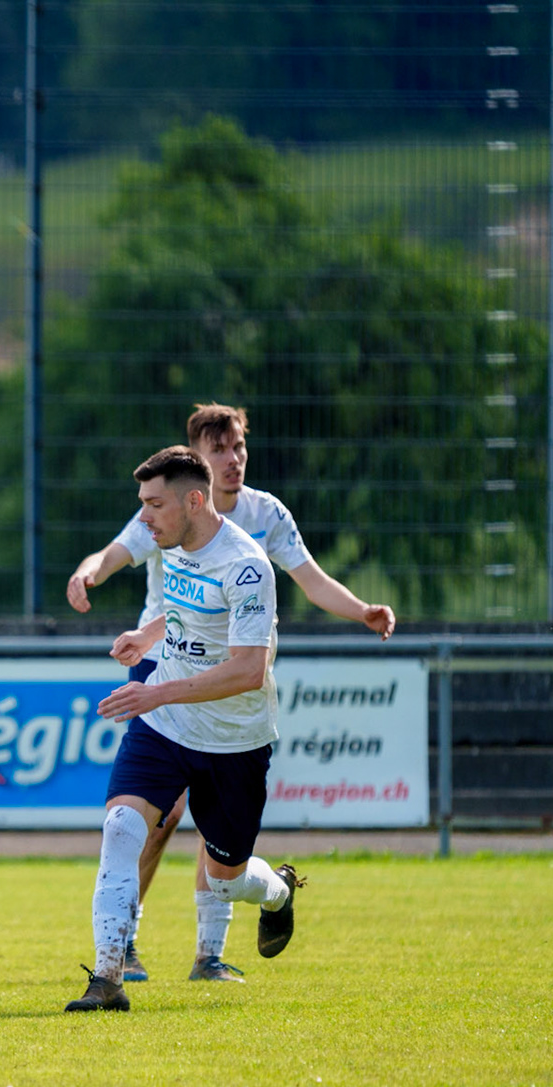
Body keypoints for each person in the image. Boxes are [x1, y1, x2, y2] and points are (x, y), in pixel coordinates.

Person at [66, 404, 390, 982]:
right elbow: (161, 586)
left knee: (226, 875)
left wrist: (361, 609)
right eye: (220, 449)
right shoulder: (166, 519)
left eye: (238, 446)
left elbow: (268, 636)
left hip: (232, 713)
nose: (233, 458)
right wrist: (137, 625)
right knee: (133, 824)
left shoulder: (251, 545)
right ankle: (113, 966)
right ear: (198, 459)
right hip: (164, 685)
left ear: (195, 497)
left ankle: (243, 920)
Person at [68, 446, 304, 1013]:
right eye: (142, 504)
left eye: (154, 504)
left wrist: (155, 691)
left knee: (225, 880)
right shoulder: (173, 545)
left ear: (194, 501)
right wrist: (148, 637)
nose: (144, 517)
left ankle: (277, 892)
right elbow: (182, 607)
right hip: (165, 725)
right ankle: (107, 978)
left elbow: (249, 670)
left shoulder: (247, 567)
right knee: (122, 827)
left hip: (233, 741)